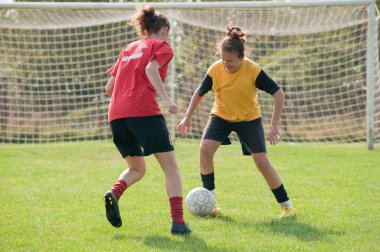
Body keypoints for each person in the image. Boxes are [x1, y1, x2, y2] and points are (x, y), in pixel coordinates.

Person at [177, 25, 296, 219]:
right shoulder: (215, 69)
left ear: (242, 57)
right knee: (204, 149)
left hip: (249, 119)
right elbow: (199, 93)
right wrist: (187, 117)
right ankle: (211, 203)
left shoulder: (253, 69)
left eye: (230, 61)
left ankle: (287, 206)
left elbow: (279, 94)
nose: (226, 64)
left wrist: (274, 125)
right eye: (223, 60)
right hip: (221, 116)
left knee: (261, 162)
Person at [103, 6, 191, 235]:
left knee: (137, 168)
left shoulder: (128, 48)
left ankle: (114, 193)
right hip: (144, 112)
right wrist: (166, 99)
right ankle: (178, 222)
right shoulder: (162, 46)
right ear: (163, 31)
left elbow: (109, 87)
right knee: (171, 168)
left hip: (116, 116)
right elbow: (152, 69)